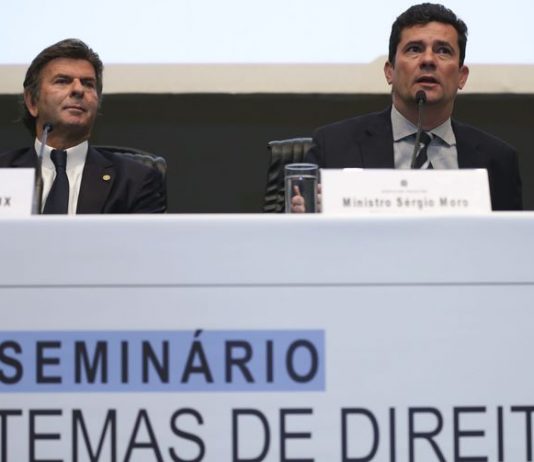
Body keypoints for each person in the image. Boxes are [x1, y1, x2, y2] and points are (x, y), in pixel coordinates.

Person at [303, 3, 522, 211]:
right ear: (390, 71)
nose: (428, 60)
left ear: (461, 77)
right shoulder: (334, 146)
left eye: (443, 51)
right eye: (414, 49)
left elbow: (509, 236)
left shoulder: (498, 160)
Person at [0, 38, 166, 214]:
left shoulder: (135, 180)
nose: (78, 90)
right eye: (62, 81)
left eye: (88, 84)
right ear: (32, 102)